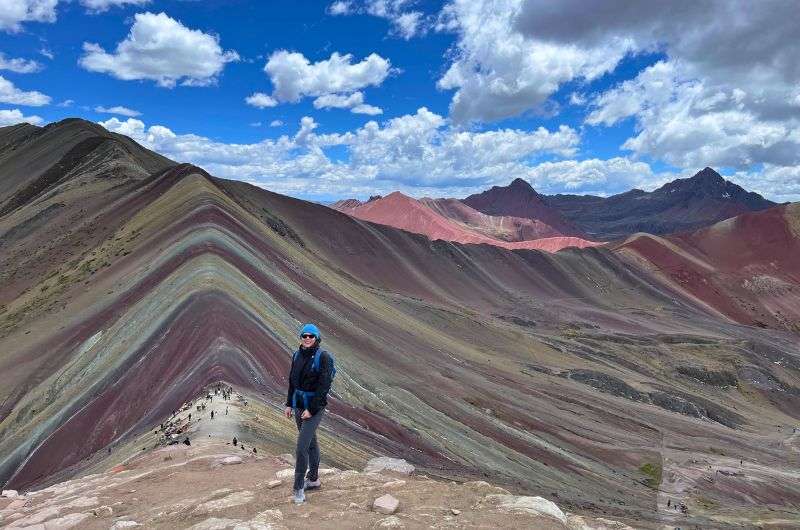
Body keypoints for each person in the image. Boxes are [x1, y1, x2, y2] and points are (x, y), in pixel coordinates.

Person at [285, 323, 334, 505]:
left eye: (311, 336)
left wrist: (311, 410)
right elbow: (292, 382)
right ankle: (313, 479)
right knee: (311, 443)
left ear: (316, 338)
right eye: (304, 335)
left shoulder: (324, 358)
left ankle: (298, 489)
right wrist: (289, 404)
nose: (307, 338)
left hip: (314, 407)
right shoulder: (297, 355)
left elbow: (324, 387)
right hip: (298, 405)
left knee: (301, 447)